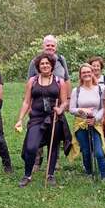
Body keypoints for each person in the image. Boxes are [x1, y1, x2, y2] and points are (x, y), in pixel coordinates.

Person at [15, 52, 70, 187]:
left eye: (47, 63)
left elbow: (64, 102)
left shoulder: (59, 81)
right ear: (38, 66)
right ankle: (27, 175)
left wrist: (61, 109)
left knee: (53, 146)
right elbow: (26, 102)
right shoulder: (32, 81)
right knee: (31, 146)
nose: (45, 66)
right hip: (37, 118)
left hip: (54, 118)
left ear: (51, 66)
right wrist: (20, 119)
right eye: (42, 64)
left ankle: (50, 175)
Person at [27, 35, 72, 172]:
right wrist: (29, 105)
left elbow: (67, 79)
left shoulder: (61, 60)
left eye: (52, 45)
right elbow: (29, 83)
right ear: (43, 46)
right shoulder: (35, 61)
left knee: (55, 132)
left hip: (57, 102)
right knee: (38, 131)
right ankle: (37, 160)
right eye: (48, 45)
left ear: (56, 47)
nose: (50, 48)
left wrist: (68, 100)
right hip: (38, 104)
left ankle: (54, 160)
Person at [69, 64, 105, 180]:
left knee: (99, 151)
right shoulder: (77, 90)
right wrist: (82, 110)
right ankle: (89, 172)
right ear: (80, 75)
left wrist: (95, 118)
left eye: (88, 72)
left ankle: (104, 175)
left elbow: (103, 108)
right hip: (81, 123)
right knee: (86, 151)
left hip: (95, 123)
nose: (86, 74)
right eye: (83, 72)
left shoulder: (100, 89)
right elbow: (72, 109)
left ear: (92, 73)